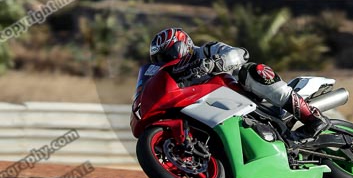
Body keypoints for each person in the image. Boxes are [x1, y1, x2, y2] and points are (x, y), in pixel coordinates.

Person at [134, 26, 330, 140]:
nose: (165, 60)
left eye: (168, 53)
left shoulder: (206, 51)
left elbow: (240, 54)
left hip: (246, 96)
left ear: (183, 45)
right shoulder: (174, 77)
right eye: (159, 58)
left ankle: (312, 118)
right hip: (213, 108)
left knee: (254, 71)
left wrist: (215, 63)